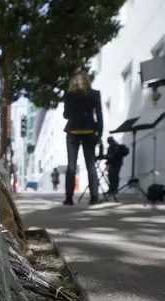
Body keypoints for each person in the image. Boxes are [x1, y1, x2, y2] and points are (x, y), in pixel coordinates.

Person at [62, 71, 103, 205]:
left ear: (73, 81)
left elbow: (66, 115)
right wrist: (100, 133)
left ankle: (69, 198)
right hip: (89, 131)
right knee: (91, 165)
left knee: (71, 166)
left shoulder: (69, 96)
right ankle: (94, 197)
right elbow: (99, 115)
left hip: (73, 131)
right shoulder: (95, 94)